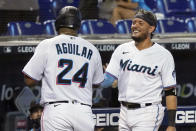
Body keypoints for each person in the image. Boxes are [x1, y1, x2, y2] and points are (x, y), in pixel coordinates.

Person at [22, 6, 104, 131]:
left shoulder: (48, 44)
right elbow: (97, 83)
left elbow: (30, 80)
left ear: (58, 22)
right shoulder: (92, 49)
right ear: (78, 24)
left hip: (57, 110)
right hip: (84, 111)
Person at [100, 9, 177, 131]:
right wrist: (92, 77)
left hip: (148, 112)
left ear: (151, 29)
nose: (134, 26)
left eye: (140, 23)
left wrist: (172, 124)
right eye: (133, 22)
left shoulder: (163, 55)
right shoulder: (121, 49)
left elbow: (170, 91)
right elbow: (107, 81)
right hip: (124, 111)